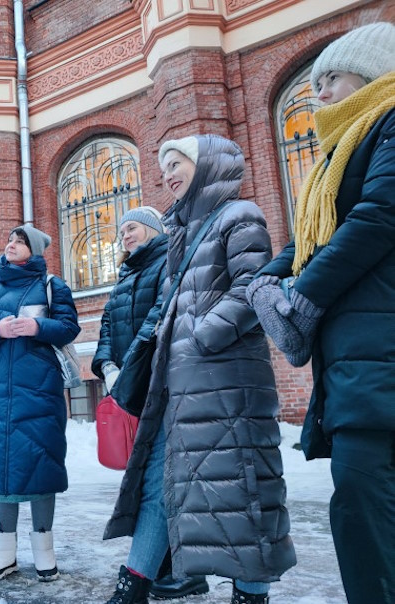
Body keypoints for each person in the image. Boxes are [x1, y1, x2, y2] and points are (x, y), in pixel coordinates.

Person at [102, 135, 296, 604]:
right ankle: (131, 588)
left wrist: (202, 335)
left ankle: (250, 596)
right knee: (159, 486)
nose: (168, 173)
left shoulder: (239, 215)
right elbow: (168, 309)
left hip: (227, 383)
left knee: (243, 491)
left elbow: (254, 284)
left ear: (208, 163)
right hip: (178, 387)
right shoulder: (182, 234)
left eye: (177, 162)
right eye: (163, 165)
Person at [246, 22, 395, 604]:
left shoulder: (387, 123)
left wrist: (303, 293)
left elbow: (379, 217)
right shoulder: (339, 153)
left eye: (330, 77)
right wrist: (268, 277)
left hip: (378, 343)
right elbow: (316, 236)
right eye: (315, 83)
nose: (320, 92)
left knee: (362, 498)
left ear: (372, 68)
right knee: (361, 502)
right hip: (357, 355)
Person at [91, 207, 210, 600]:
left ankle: (185, 568)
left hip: (162, 383)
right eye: (121, 230)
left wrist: (130, 366)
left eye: (133, 228)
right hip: (134, 388)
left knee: (169, 480)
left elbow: (161, 317)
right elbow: (107, 324)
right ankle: (164, 566)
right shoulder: (125, 274)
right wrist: (106, 364)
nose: (125, 235)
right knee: (149, 480)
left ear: (154, 230)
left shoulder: (167, 261)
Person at [0, 224, 80, 583]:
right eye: (10, 240)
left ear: (34, 250)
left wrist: (37, 328)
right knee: (1, 467)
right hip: (1, 391)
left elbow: (69, 327)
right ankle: (5, 551)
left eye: (20, 242)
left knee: (41, 464)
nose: (11, 245)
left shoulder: (52, 286)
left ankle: (44, 550)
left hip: (42, 388)